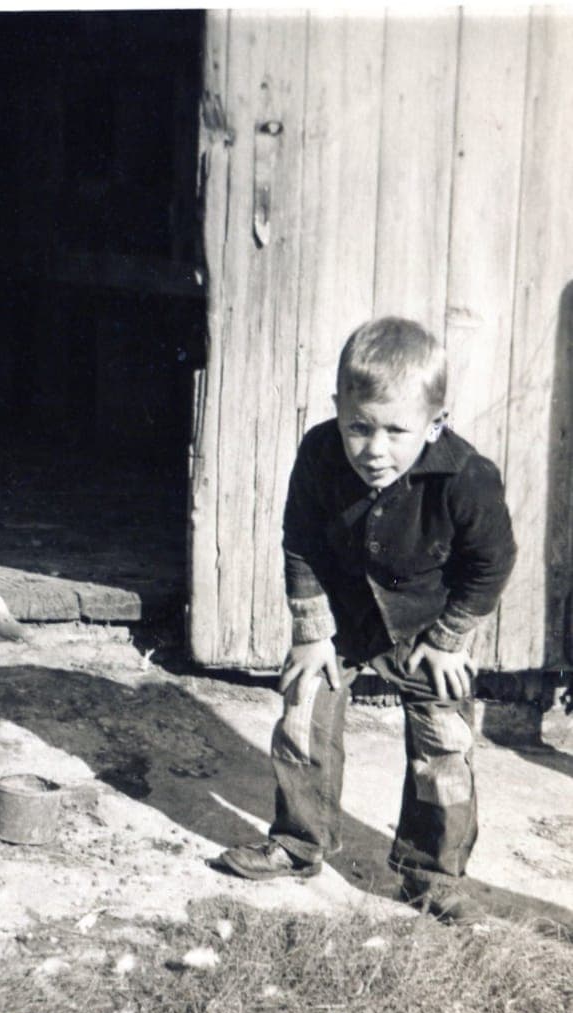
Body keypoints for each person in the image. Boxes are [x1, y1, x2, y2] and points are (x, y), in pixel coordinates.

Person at [218, 316, 517, 923]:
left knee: (445, 750)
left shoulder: (466, 477)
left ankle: (432, 873)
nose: (373, 449)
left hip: (429, 632)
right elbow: (300, 540)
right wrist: (311, 632)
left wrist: (450, 640)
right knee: (302, 713)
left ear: (435, 424)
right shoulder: (320, 454)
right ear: (338, 409)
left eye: (395, 431)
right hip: (343, 622)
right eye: (358, 427)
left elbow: (492, 561)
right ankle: (299, 842)